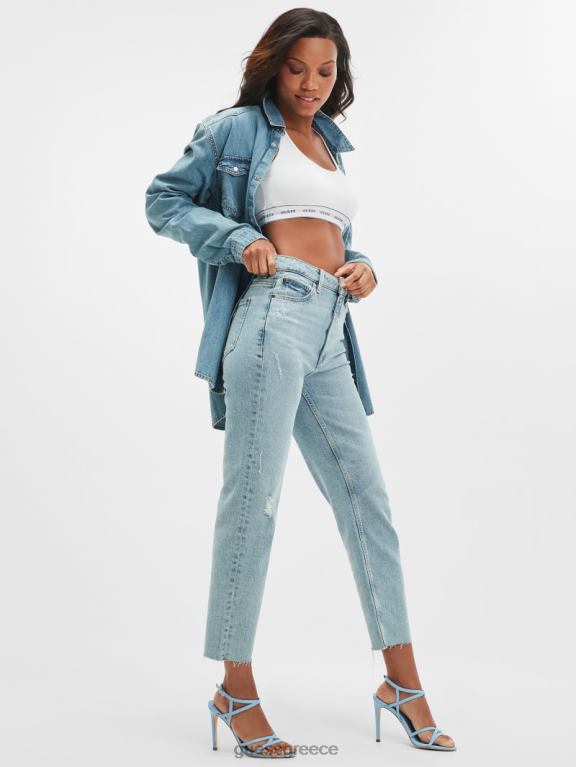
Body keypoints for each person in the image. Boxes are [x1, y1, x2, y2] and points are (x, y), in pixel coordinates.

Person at [145, 8, 456, 758]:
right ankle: (235, 689)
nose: (311, 83)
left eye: (325, 70)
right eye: (297, 68)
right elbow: (163, 200)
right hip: (270, 319)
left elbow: (327, 231)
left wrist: (362, 264)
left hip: (330, 331)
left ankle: (403, 684)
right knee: (255, 502)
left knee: (367, 503)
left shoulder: (329, 144)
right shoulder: (234, 130)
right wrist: (236, 238)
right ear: (272, 65)